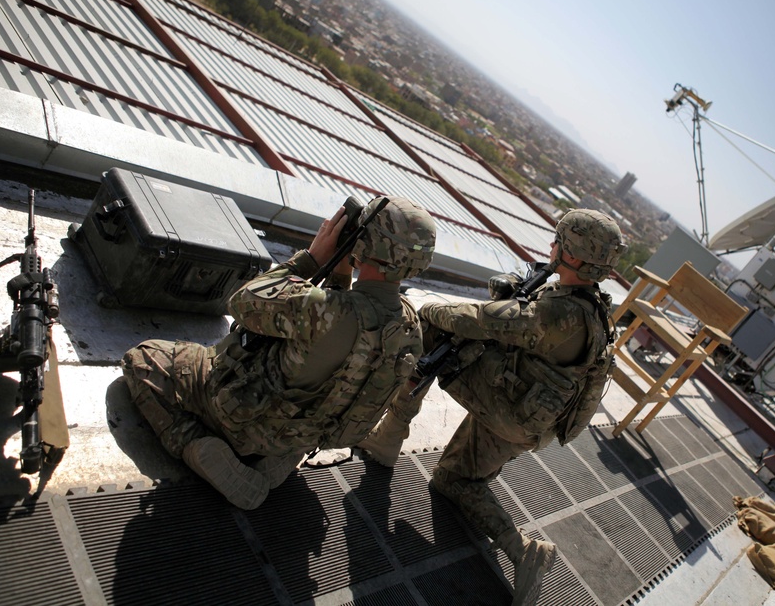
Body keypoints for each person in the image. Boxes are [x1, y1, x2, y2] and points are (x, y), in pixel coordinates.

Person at [357, 209, 625, 606]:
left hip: (510, 410)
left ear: (574, 255)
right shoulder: (592, 307)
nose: (552, 246)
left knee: (433, 330)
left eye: (559, 241)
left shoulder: (560, 313)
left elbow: (480, 321)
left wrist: (428, 308)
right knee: (453, 480)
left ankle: (386, 438)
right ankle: (524, 551)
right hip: (532, 419)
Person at [120, 196, 436, 510]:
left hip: (243, 416)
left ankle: (195, 444)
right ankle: (276, 459)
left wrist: (312, 258)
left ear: (365, 241)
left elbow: (243, 302)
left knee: (143, 358)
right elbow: (348, 333)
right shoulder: (409, 330)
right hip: (299, 434)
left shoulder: (324, 311)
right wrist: (340, 271)